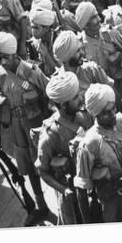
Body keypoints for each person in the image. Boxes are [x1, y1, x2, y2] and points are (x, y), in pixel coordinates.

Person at [0, 32, 50, 224]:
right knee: (28, 167)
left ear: (14, 54)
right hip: (16, 126)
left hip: (37, 123)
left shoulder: (33, 72)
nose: (2, 62)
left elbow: (49, 97)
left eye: (4, 57)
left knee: (46, 163)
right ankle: (41, 206)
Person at [74, 84, 122, 222]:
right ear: (95, 114)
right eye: (106, 113)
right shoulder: (90, 144)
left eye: (113, 108)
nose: (113, 114)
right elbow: (81, 189)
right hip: (113, 203)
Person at [35, 72, 93, 225]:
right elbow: (43, 171)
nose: (80, 99)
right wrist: (64, 190)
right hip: (71, 197)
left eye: (78, 94)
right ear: (62, 104)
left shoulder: (86, 115)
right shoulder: (50, 135)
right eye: (75, 98)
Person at [75, 1, 122, 108]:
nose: (99, 20)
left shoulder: (110, 33)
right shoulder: (80, 45)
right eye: (94, 17)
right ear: (85, 24)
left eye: (97, 15)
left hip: (120, 85)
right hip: (100, 94)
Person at [52, 30, 114, 98]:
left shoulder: (92, 70)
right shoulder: (58, 82)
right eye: (78, 51)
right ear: (67, 57)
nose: (82, 53)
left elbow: (112, 93)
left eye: (80, 49)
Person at [27, 7, 59, 77]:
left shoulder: (58, 41)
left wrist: (46, 55)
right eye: (32, 27)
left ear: (47, 28)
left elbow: (61, 71)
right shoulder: (35, 42)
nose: (33, 31)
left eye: (36, 28)